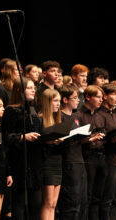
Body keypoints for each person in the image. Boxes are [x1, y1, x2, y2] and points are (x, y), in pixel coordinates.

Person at [58, 85, 104, 220]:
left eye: (79, 98)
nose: (78, 100)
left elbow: (78, 140)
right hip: (69, 161)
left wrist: (89, 139)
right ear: (65, 100)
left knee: (82, 201)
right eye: (75, 98)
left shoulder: (74, 116)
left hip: (79, 160)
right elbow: (61, 140)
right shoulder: (61, 116)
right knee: (71, 202)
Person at [2, 77, 42, 219]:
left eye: (34, 88)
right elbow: (6, 137)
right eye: (30, 88)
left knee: (36, 203)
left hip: (34, 160)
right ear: (20, 90)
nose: (33, 90)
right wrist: (23, 137)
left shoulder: (32, 109)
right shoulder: (11, 111)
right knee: (19, 202)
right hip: (19, 160)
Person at [74, 85, 105, 220]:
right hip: (87, 157)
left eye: (102, 97)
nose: (101, 100)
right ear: (87, 97)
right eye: (98, 97)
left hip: (101, 157)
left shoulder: (99, 115)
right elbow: (75, 140)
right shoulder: (79, 115)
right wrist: (90, 139)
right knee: (87, 195)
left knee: (99, 196)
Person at [98, 83, 116, 219]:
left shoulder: (115, 113)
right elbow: (101, 138)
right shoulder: (101, 114)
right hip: (108, 159)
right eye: (113, 94)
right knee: (107, 198)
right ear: (105, 96)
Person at [38, 89, 63, 220]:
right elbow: (37, 142)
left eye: (59, 101)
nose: (58, 104)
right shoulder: (39, 119)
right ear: (47, 102)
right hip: (46, 163)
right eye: (55, 101)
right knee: (47, 203)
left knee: (53, 204)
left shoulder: (56, 119)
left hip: (57, 161)